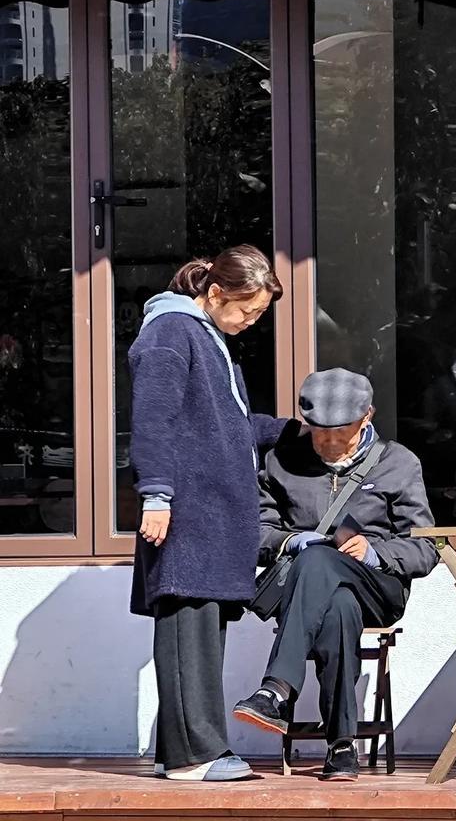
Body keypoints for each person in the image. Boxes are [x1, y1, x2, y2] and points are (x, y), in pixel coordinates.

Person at [128, 244, 291, 782]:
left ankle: (178, 752)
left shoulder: (210, 338)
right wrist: (156, 494)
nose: (251, 320)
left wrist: (297, 431)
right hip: (187, 513)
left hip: (213, 515)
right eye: (247, 309)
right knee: (186, 633)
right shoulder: (171, 332)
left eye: (260, 313)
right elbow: (154, 419)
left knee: (200, 636)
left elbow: (230, 429)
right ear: (214, 292)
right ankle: (194, 756)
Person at [233, 368, 438, 782]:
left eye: (337, 432)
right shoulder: (282, 462)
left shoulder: (398, 463)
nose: (325, 442)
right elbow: (255, 532)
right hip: (315, 592)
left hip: (378, 587)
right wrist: (291, 542)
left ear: (366, 418)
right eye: (316, 431)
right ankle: (342, 747)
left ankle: (275, 690)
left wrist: (375, 551)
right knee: (336, 603)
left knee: (322, 565)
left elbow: (426, 547)